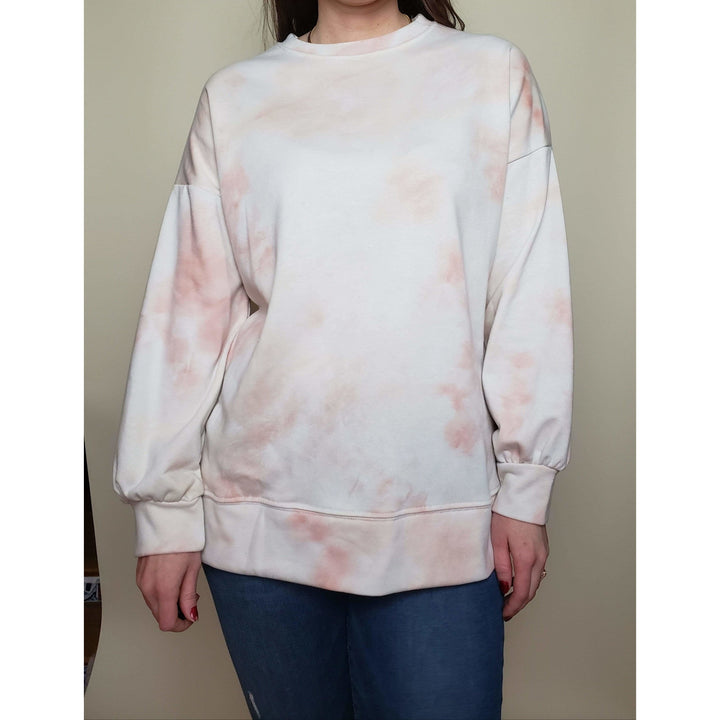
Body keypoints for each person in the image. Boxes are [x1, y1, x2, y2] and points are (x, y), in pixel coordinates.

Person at [113, 1, 574, 718]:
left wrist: (526, 484)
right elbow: (187, 313)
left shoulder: (491, 74)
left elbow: (528, 293)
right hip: (262, 515)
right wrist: (165, 512)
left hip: (438, 510)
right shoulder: (235, 97)